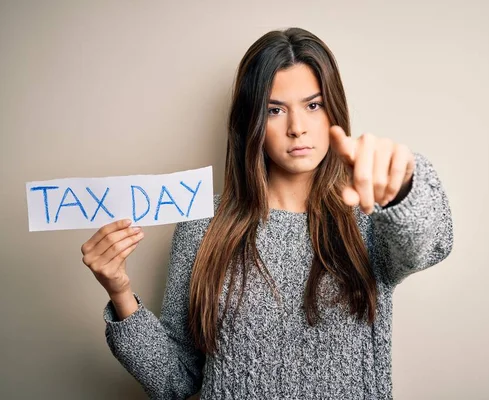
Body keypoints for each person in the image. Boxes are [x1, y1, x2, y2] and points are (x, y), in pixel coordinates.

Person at [80, 27, 454, 399]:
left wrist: (404, 183)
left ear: (333, 111)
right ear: (252, 122)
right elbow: (176, 380)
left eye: (313, 105)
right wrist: (120, 291)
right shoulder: (202, 224)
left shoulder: (370, 217)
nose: (297, 128)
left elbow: (431, 244)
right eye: (275, 110)